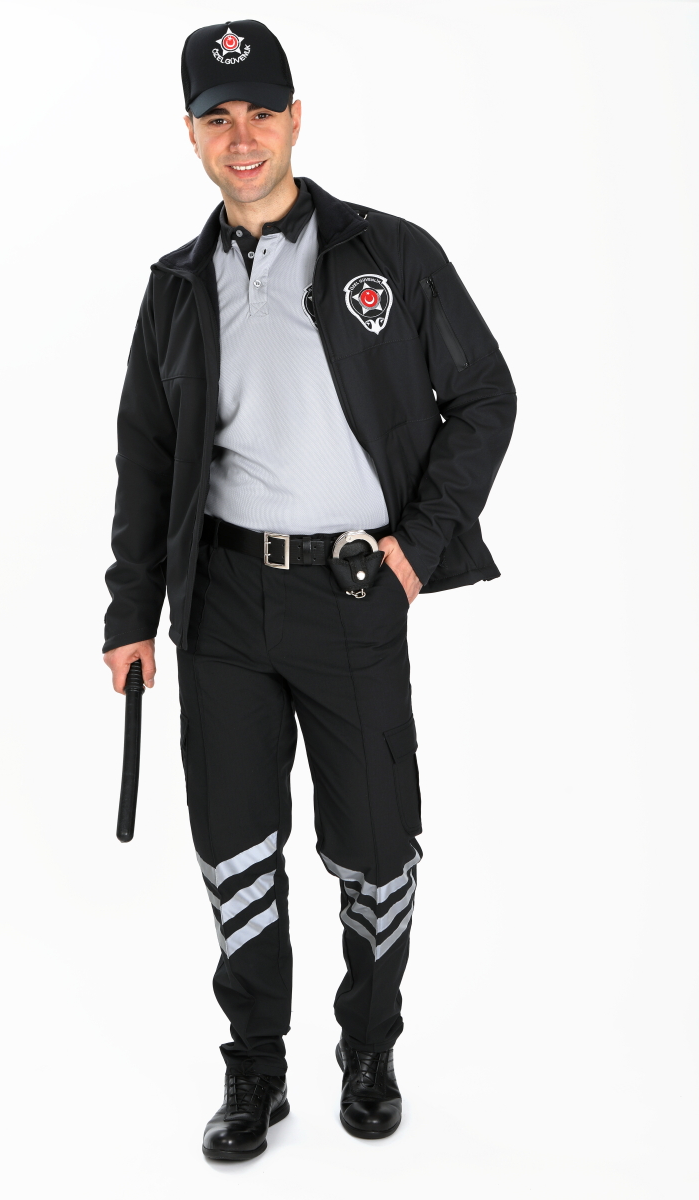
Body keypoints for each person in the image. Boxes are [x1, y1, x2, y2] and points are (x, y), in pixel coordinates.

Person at [103, 18, 516, 1160]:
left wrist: (414, 549)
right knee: (237, 847)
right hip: (222, 605)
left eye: (260, 113)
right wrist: (130, 615)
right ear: (191, 134)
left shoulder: (390, 255)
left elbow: (484, 396)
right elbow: (147, 456)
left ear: (295, 118)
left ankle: (369, 1052)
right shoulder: (174, 287)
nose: (241, 137)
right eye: (216, 118)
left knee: (376, 846)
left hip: (351, 593)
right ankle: (255, 1072)